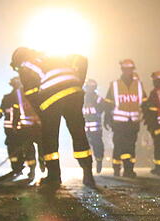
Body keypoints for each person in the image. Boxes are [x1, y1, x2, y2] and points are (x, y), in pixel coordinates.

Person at [10, 47, 96, 188]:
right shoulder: (50, 57)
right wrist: (77, 83)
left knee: (49, 137)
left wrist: (41, 118)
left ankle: (54, 177)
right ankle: (88, 174)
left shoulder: (26, 65)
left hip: (52, 97)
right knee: (78, 134)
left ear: (19, 60)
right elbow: (82, 59)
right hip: (74, 93)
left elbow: (31, 93)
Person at [104, 59, 145, 178]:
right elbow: (108, 103)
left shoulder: (138, 85)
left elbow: (144, 102)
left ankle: (128, 169)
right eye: (126, 69)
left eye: (130, 69)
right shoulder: (115, 85)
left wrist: (147, 115)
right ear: (122, 70)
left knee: (130, 146)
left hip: (133, 122)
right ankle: (118, 169)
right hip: (119, 122)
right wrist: (107, 118)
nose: (128, 72)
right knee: (119, 145)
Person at [0, 76, 41, 178]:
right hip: (10, 131)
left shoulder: (25, 97)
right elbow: (1, 110)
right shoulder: (7, 98)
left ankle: (31, 170)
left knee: (27, 149)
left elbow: (23, 111)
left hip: (23, 129)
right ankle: (16, 168)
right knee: (13, 150)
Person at [82, 79, 110, 173]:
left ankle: (99, 161)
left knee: (97, 145)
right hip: (84, 128)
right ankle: (87, 166)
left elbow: (106, 106)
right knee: (84, 148)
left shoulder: (97, 98)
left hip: (95, 128)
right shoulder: (81, 98)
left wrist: (101, 111)